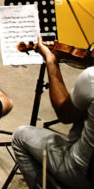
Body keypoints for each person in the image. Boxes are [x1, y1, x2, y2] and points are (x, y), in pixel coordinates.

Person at [11, 40, 93, 188]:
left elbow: (65, 115)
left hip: (85, 173)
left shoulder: (91, 77)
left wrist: (51, 60)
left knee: (20, 136)